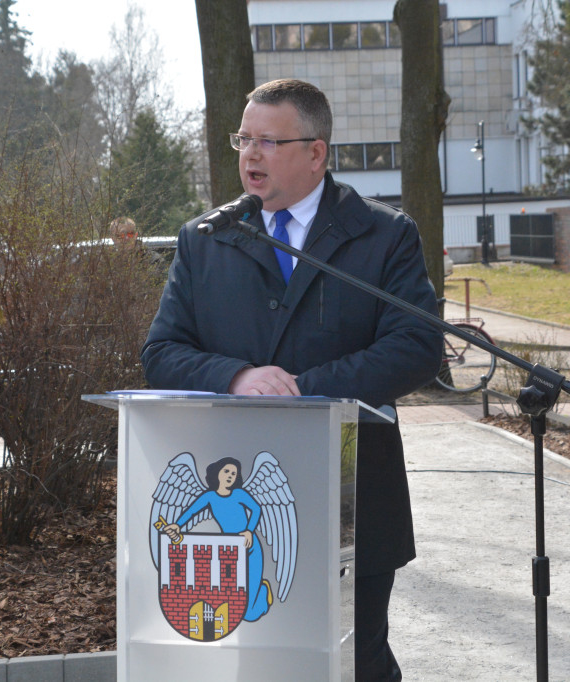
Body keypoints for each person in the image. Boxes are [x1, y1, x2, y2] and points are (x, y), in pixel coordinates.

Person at [140, 78, 442, 681]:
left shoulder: (383, 236)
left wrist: (305, 390)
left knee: (357, 657)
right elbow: (162, 351)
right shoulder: (207, 240)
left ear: (316, 152)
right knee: (257, 663)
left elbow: (417, 346)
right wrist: (237, 376)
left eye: (269, 141)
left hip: (354, 490)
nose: (251, 154)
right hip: (239, 494)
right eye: (243, 139)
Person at [161, 457, 273, 622]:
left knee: (248, 614)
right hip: (229, 551)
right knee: (233, 604)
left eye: (234, 473)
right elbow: (191, 511)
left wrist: (249, 530)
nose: (230, 476)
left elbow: (256, 509)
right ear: (218, 473)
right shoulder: (210, 497)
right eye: (226, 471)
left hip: (250, 548)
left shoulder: (239, 494)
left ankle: (263, 590)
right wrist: (177, 525)